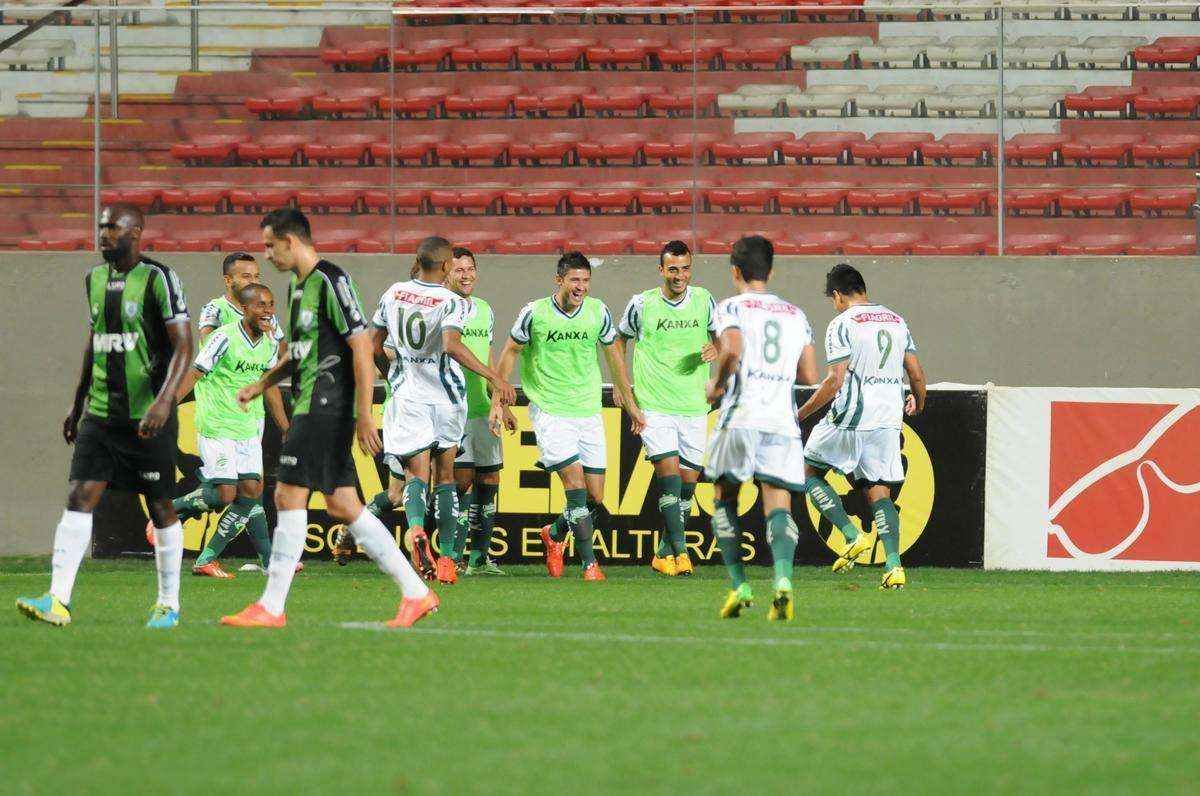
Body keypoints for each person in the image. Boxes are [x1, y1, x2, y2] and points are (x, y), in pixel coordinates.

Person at [220, 208, 436, 629]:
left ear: (290, 241)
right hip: (312, 404)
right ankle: (416, 592)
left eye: (270, 246)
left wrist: (364, 414)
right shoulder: (296, 288)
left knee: (288, 496)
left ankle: (272, 606)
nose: (267, 256)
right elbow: (299, 354)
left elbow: (361, 347)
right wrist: (261, 384)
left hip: (324, 406)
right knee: (343, 504)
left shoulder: (330, 280)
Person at [17, 205, 194, 628]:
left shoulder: (158, 278)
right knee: (80, 496)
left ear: (136, 232)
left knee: (160, 505)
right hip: (100, 413)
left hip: (147, 416)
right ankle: (58, 599)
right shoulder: (93, 279)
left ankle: (168, 604)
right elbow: (95, 339)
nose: (103, 233)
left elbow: (185, 344)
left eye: (113, 227)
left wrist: (164, 401)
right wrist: (77, 401)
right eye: (101, 226)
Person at [369, 237, 515, 586]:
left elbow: (374, 345)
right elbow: (451, 345)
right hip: (446, 398)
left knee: (415, 475)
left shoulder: (393, 293)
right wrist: (493, 376)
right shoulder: (452, 302)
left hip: (408, 397)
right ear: (447, 266)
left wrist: (393, 375)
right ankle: (448, 559)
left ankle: (416, 529)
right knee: (446, 477)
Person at [492, 251, 644, 581]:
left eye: (586, 280)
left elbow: (614, 356)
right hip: (550, 412)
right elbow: (510, 352)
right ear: (559, 280)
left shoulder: (598, 311)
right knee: (574, 486)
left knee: (595, 496)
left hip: (588, 411)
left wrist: (630, 403)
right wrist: (498, 401)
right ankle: (590, 564)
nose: (581, 287)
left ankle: (555, 533)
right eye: (575, 280)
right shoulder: (534, 313)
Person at [148, 251, 291, 577]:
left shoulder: (269, 333)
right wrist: (165, 406)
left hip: (249, 420)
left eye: (256, 276)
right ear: (229, 281)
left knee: (251, 491)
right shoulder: (219, 320)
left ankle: (215, 559)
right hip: (218, 418)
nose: (252, 281)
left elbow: (270, 376)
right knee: (227, 492)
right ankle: (169, 512)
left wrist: (284, 424)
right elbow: (201, 367)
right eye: (245, 276)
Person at [704, 235, 819, 622]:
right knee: (778, 503)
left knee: (724, 497)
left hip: (741, 415)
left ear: (735, 271)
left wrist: (717, 385)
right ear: (771, 271)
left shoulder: (729, 307)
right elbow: (810, 374)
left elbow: (733, 349)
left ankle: (739, 585)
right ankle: (783, 580)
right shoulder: (796, 315)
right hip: (781, 421)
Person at [798, 263, 927, 590]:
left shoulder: (842, 323)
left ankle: (851, 535)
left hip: (853, 416)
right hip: (888, 419)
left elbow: (835, 380)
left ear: (838, 295)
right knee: (879, 489)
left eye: (833, 300)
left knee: (808, 471)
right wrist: (919, 402)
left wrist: (800, 415)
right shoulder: (896, 320)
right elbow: (915, 373)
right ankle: (894, 566)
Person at [614, 240, 717, 578]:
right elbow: (618, 341)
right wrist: (621, 386)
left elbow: (721, 338)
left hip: (694, 405)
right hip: (655, 405)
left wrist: (715, 349)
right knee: (670, 478)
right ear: (661, 270)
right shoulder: (642, 304)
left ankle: (662, 554)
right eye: (673, 269)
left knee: (687, 485)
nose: (679, 275)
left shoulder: (704, 300)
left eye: (685, 269)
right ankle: (683, 554)